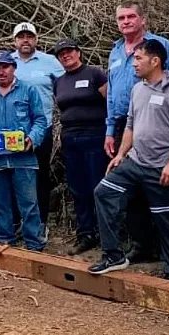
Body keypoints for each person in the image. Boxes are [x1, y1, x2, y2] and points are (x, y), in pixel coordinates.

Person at [89, 39, 169, 280]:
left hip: (163, 166)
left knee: (166, 217)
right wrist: (121, 155)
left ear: (155, 61)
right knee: (103, 193)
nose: (133, 64)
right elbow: (131, 126)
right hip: (135, 162)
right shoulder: (138, 89)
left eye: (138, 58)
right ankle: (113, 255)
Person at [104, 2, 169, 263]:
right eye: (121, 18)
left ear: (143, 20)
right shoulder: (115, 52)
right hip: (124, 125)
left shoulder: (160, 46)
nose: (125, 21)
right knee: (131, 192)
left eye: (131, 16)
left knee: (164, 194)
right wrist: (109, 130)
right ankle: (141, 245)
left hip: (160, 124)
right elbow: (112, 92)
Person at [0, 51, 48, 250]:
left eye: (5, 67)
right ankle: (4, 242)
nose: (1, 71)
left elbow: (40, 120)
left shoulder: (28, 90)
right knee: (0, 203)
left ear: (13, 68)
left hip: (23, 157)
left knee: (29, 203)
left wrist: (33, 137)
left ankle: (34, 244)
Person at [50, 39, 109, 255]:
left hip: (94, 136)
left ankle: (107, 236)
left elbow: (110, 102)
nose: (66, 56)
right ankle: (86, 234)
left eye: (69, 51)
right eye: (61, 54)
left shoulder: (95, 74)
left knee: (98, 187)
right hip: (70, 138)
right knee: (78, 188)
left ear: (78, 52)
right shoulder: (59, 81)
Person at [9, 22, 66, 225]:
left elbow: (66, 86)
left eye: (30, 36)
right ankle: (16, 221)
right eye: (21, 36)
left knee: (39, 173)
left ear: (36, 39)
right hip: (12, 131)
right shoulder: (7, 62)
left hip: (42, 128)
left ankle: (39, 221)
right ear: (15, 40)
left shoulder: (49, 61)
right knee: (13, 174)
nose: (26, 40)